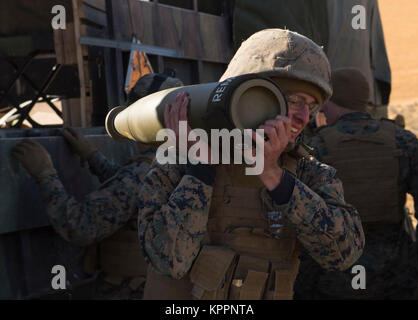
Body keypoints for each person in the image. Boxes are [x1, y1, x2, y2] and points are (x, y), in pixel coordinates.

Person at [137, 29, 365, 300]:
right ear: (248, 96)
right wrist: (200, 170)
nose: (304, 117)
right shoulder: (177, 160)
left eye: (312, 107)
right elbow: (169, 261)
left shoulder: (307, 172)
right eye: (294, 101)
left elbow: (343, 254)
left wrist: (274, 177)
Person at [12, 73, 183, 299]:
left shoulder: (144, 173)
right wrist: (94, 158)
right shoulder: (180, 160)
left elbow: (81, 226)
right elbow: (134, 197)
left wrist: (45, 174)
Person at [295, 67, 418, 299]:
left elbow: (299, 219)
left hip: (332, 279)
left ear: (329, 101)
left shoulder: (315, 149)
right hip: (397, 275)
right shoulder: (404, 142)